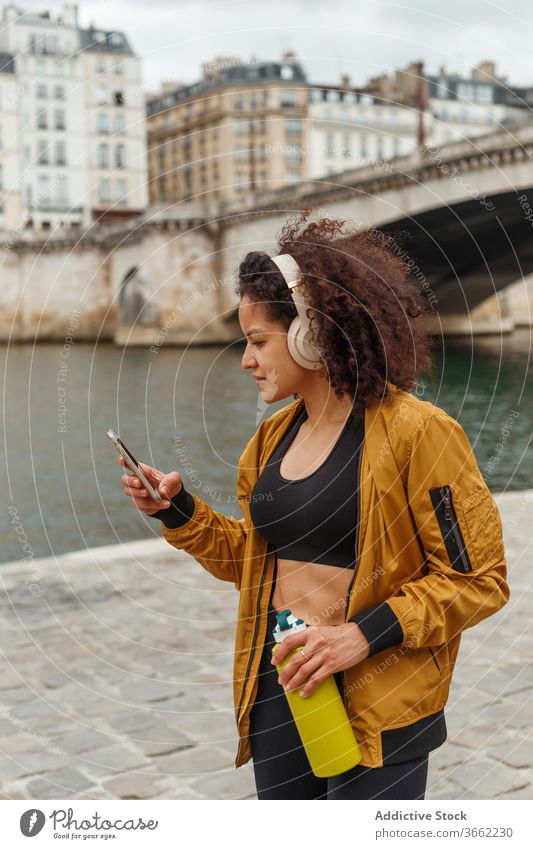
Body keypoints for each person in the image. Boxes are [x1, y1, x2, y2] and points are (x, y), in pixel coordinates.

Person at [118, 213, 510, 800]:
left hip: (382, 698)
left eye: (257, 342)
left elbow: (480, 580)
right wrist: (177, 513)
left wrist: (362, 635)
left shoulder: (418, 433)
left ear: (310, 334)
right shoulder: (270, 441)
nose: (246, 360)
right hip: (285, 684)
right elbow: (253, 563)